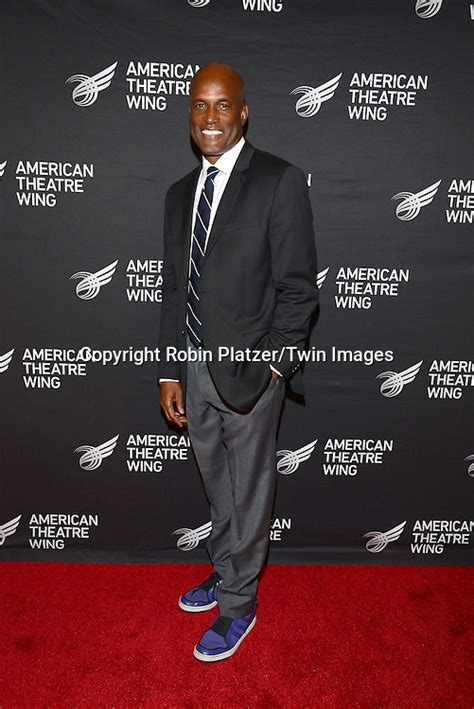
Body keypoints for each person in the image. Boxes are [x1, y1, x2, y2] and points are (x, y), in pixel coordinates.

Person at [158, 63, 318, 662]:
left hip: (252, 373)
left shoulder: (279, 180)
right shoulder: (179, 194)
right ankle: (227, 572)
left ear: (243, 112)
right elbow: (174, 289)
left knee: (248, 492)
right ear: (190, 113)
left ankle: (240, 604)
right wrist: (170, 370)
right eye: (200, 105)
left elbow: (299, 287)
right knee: (216, 484)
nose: (210, 118)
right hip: (194, 370)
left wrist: (276, 366)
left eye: (223, 106)